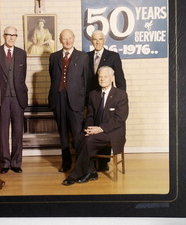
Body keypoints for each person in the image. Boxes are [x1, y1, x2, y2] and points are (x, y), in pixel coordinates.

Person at [62, 66, 128, 185]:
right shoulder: (93, 94)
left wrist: (100, 129)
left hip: (112, 132)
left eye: (105, 77)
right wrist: (88, 129)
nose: (102, 79)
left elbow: (119, 119)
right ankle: (90, 171)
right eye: (100, 76)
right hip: (96, 130)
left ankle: (75, 174)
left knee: (88, 141)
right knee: (78, 138)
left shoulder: (121, 95)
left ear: (112, 78)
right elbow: (90, 116)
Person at [48, 29, 89, 172]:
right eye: (64, 38)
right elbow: (53, 77)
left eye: (69, 38)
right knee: (63, 133)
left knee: (77, 133)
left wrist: (84, 102)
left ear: (74, 39)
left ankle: (80, 164)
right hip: (58, 99)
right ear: (60, 40)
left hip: (76, 101)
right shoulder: (53, 57)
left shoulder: (83, 57)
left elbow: (86, 81)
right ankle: (66, 163)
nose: (67, 41)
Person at [0, 26, 28, 174]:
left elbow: (21, 77)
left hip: (18, 98)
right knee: (3, 131)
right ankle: (5, 163)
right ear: (3, 36)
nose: (11, 37)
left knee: (18, 132)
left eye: (14, 35)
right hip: (2, 98)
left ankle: (16, 163)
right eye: (8, 35)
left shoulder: (21, 53)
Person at [87, 30, 126, 171]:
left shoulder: (113, 56)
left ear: (104, 41)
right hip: (94, 98)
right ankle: (93, 163)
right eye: (95, 39)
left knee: (106, 124)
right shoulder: (86, 56)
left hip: (110, 97)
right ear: (91, 41)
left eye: (100, 39)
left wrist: (121, 98)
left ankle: (102, 164)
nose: (97, 42)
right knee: (93, 127)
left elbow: (120, 79)